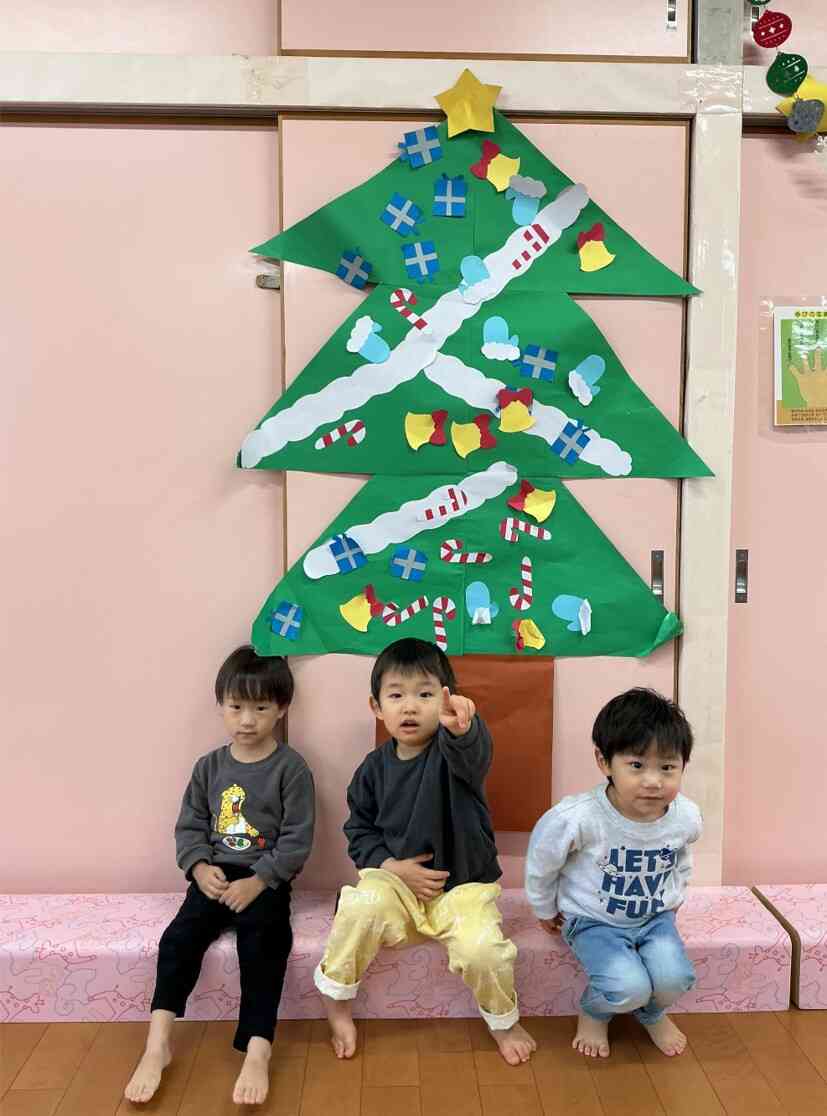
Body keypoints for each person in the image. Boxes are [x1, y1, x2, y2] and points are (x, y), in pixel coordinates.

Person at [314, 637, 535, 1065]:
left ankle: (504, 1022)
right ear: (377, 707)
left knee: (482, 951)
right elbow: (359, 831)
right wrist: (393, 867)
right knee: (361, 905)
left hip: (463, 890)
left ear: (445, 701)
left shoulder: (454, 752)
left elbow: (474, 754)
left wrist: (463, 729)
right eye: (396, 696)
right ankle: (336, 1001)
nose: (410, 707)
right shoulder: (371, 770)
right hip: (397, 888)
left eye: (425, 694)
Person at [124, 646, 315, 1106]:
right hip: (213, 874)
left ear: (282, 708)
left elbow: (297, 838)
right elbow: (189, 826)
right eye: (236, 706)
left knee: (264, 944)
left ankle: (257, 1049)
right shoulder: (208, 767)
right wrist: (198, 867)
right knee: (178, 939)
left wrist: (260, 880)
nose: (247, 720)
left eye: (261, 708)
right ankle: (157, 1044)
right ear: (220, 706)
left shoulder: (291, 768)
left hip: (264, 879)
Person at [525, 687, 700, 1060]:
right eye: (636, 765)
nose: (653, 781)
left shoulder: (685, 816)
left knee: (675, 980)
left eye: (667, 767)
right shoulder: (578, 817)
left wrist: (676, 896)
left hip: (654, 918)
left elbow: (682, 857)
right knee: (628, 988)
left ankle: (651, 1014)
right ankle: (594, 1012)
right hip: (593, 921)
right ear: (605, 762)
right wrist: (543, 909)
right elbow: (542, 862)